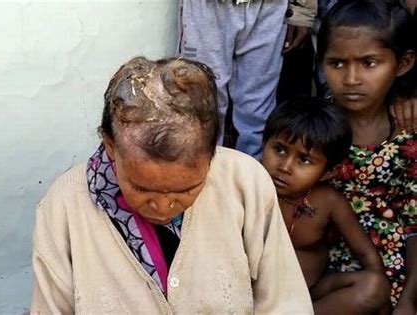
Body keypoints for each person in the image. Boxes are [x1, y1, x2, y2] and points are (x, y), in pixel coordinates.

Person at [30, 57, 313, 313]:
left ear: (211, 153)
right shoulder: (64, 205)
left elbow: (285, 301)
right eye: (142, 189)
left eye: (185, 189)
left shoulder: (245, 181)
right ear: (111, 146)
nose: (163, 207)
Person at [316, 0, 417, 311]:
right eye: (337, 63)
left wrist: (409, 303)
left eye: (369, 63)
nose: (351, 79)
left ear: (403, 64)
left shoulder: (407, 136)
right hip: (321, 275)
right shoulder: (312, 128)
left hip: (395, 271)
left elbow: (415, 225)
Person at [262, 97, 390, 314]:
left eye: (304, 160)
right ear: (263, 144)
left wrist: (381, 300)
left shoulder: (328, 202)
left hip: (313, 294)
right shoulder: (248, 187)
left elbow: (368, 256)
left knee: (375, 288)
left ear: (329, 171)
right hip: (259, 296)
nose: (285, 167)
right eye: (279, 149)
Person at [178, 0, 317, 159]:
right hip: (206, 7)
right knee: (205, 99)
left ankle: (251, 175)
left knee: (257, 108)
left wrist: (301, 10)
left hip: (270, 7)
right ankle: (205, 174)